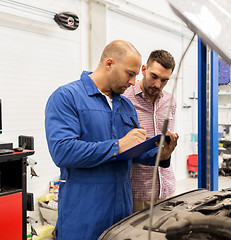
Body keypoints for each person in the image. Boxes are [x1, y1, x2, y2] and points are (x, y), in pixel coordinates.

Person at [44, 40, 177, 240]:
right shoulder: (66, 97)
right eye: (130, 74)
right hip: (83, 215)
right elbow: (63, 152)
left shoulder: (125, 105)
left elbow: (134, 151)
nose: (133, 82)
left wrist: (162, 153)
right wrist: (118, 145)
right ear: (109, 64)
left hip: (122, 214)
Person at [123, 50, 179, 212]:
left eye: (164, 80)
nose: (157, 85)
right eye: (154, 76)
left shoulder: (170, 101)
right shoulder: (124, 98)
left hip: (167, 189)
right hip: (137, 192)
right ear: (144, 69)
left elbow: (167, 142)